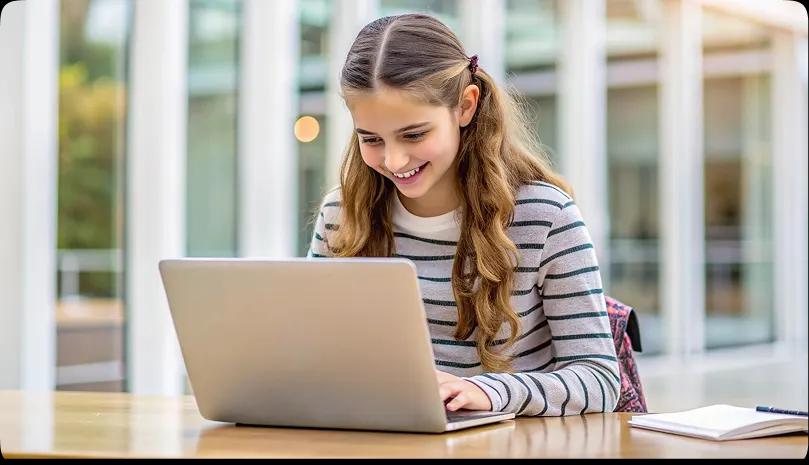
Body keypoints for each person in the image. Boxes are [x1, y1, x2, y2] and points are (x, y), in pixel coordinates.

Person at [308, 13, 620, 417]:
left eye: (414, 134)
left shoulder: (546, 218)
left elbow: (599, 379)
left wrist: (487, 393)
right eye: (371, 139)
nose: (393, 159)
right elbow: (317, 356)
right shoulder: (341, 215)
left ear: (465, 106)